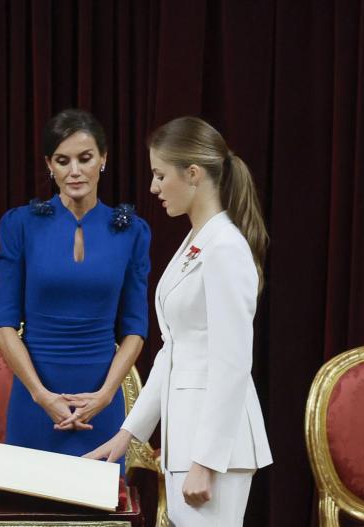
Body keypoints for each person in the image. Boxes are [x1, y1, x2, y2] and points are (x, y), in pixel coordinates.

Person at [86, 116, 273, 525]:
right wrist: (128, 432)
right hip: (185, 439)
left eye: (159, 175)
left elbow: (233, 361)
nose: (153, 188)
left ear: (192, 174)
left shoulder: (225, 247)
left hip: (214, 450)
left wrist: (205, 460)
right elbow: (175, 350)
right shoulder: (196, 241)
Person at [0, 109, 150, 461]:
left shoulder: (132, 231)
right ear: (50, 165)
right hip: (35, 403)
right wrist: (41, 395)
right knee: (30, 512)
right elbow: (3, 324)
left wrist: (106, 395)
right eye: (63, 161)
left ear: (103, 159)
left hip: (101, 404)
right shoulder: (20, 225)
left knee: (100, 512)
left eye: (85, 158)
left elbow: (135, 328)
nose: (74, 171)